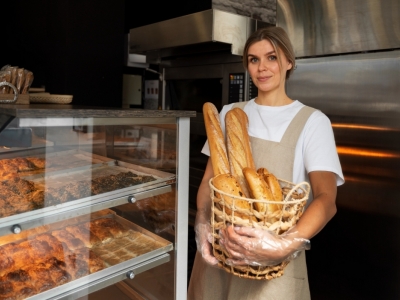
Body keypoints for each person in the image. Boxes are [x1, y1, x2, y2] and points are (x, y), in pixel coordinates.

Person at [187, 26, 344, 300]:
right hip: (219, 260)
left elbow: (326, 198)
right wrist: (201, 223)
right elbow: (208, 184)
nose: (262, 68)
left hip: (272, 271)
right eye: (253, 59)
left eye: (272, 57)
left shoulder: (312, 122)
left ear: (289, 62)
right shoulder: (230, 113)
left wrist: (283, 244)